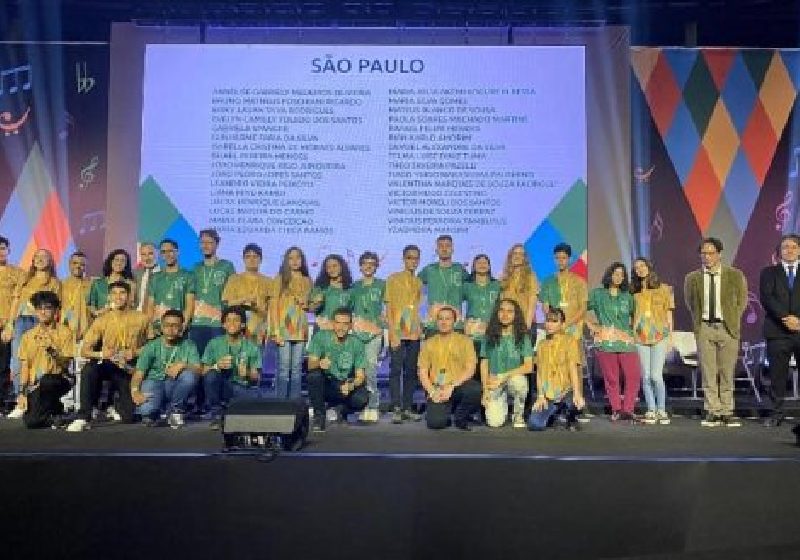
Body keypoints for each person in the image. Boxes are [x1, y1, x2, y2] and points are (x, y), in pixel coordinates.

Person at [66, 281, 150, 432]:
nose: (118, 297)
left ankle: (115, 404)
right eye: (115, 293)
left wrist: (135, 352)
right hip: (108, 364)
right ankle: (83, 416)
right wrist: (101, 354)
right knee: (89, 369)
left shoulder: (142, 318)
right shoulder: (102, 319)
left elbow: (153, 345)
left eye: (122, 293)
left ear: (130, 296)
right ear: (109, 297)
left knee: (129, 418)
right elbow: (84, 351)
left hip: (129, 368)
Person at [684, 237, 747, 428]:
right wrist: (700, 323)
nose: (707, 257)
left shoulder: (734, 275)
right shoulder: (692, 278)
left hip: (727, 328)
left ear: (719, 254)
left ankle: (727, 410)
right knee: (709, 372)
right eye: (703, 253)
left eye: (711, 253)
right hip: (704, 327)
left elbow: (742, 301)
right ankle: (713, 410)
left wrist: (732, 319)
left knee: (726, 371)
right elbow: (690, 302)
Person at [6, 248, 61, 419]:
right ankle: (20, 400)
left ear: (50, 261)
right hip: (22, 321)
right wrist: (10, 324)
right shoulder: (26, 278)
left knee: (40, 362)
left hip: (42, 323)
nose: (40, 259)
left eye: (44, 257)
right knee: (19, 361)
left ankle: (35, 400)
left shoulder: (55, 282)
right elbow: (16, 301)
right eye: (37, 257)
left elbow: (57, 308)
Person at [587, 262, 641, 423]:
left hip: (626, 341)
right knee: (612, 378)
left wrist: (633, 329)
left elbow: (636, 314)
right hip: (606, 342)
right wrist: (592, 326)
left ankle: (628, 409)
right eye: (615, 273)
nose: (618, 277)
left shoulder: (628, 296)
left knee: (633, 376)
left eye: (621, 275)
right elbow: (579, 309)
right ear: (609, 274)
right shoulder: (597, 294)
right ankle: (616, 409)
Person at [130, 309, 200, 428]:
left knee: (189, 376)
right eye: (167, 325)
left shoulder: (189, 345)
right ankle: (158, 411)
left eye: (175, 325)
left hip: (173, 385)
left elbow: (199, 369)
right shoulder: (151, 346)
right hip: (154, 382)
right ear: (161, 327)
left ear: (181, 327)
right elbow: (138, 373)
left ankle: (175, 411)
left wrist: (183, 365)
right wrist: (135, 391)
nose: (170, 329)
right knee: (147, 413)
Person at [16, 291, 74, 429]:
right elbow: (25, 366)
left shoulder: (65, 333)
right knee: (31, 422)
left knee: (47, 380)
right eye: (39, 308)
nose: (43, 312)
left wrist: (52, 351)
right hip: (36, 385)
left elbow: (67, 364)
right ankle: (56, 415)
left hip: (60, 380)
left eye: (47, 308)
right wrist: (22, 393)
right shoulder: (28, 336)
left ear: (55, 311)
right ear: (35, 311)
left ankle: (55, 408)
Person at [306, 307, 369, 432]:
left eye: (345, 324)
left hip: (345, 384)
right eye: (338, 323)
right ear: (332, 323)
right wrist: (319, 363)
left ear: (350, 325)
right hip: (327, 384)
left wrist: (351, 385)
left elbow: (360, 376)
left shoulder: (357, 343)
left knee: (362, 399)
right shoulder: (321, 337)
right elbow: (310, 364)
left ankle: (340, 410)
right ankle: (319, 416)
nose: (341, 327)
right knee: (314, 376)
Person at [418, 306, 480, 430]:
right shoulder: (428, 343)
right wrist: (432, 391)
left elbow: (470, 368)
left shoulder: (465, 341)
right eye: (440, 319)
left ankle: (460, 416)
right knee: (435, 424)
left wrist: (451, 386)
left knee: (475, 389)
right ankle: (443, 412)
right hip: (437, 388)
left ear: (454, 321)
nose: (444, 322)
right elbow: (422, 372)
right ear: (436, 321)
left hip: (457, 386)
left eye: (448, 319)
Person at [760, 234, 800, 428]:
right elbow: (767, 299)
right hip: (777, 331)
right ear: (779, 252)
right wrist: (786, 318)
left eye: (793, 247)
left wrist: (798, 321)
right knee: (777, 376)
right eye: (785, 247)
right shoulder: (769, 273)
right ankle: (777, 413)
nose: (789, 250)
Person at [202, 306, 263, 429]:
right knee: (211, 376)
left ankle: (232, 410)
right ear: (223, 325)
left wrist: (247, 373)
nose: (232, 324)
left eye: (236, 320)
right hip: (222, 387)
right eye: (228, 320)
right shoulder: (214, 343)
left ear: (242, 325)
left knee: (254, 405)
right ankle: (217, 415)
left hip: (242, 388)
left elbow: (257, 378)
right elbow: (203, 372)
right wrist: (216, 366)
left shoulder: (252, 346)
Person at [631, 258, 674, 425]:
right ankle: (650, 409)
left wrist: (670, 336)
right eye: (636, 268)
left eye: (642, 266)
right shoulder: (634, 292)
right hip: (640, 337)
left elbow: (669, 314)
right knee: (646, 376)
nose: (639, 270)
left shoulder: (664, 289)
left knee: (656, 375)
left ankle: (661, 409)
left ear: (649, 267)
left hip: (659, 336)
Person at [529, 308, 585, 431]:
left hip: (565, 391)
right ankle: (554, 414)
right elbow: (539, 372)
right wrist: (540, 395)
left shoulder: (570, 341)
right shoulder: (541, 344)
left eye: (554, 321)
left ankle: (569, 416)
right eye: (548, 321)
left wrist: (577, 392)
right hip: (548, 393)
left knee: (575, 403)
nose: (549, 324)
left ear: (562, 324)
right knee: (534, 424)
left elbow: (573, 368)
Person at [385, 245, 424, 423]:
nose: (413, 261)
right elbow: (389, 308)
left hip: (414, 333)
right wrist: (392, 333)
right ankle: (396, 408)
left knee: (410, 371)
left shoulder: (418, 282)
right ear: (403, 259)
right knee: (395, 370)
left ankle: (408, 407)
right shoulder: (393, 279)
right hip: (398, 333)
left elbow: (417, 308)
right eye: (409, 257)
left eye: (416, 258)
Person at [480, 298, 532, 428]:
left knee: (520, 383)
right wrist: (485, 390)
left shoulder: (523, 336)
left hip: (512, 378)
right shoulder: (489, 336)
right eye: (501, 311)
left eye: (510, 311)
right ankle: (502, 402)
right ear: (496, 314)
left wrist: (504, 376)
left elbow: (528, 366)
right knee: (494, 422)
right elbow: (484, 364)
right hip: (494, 380)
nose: (505, 315)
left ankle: (517, 414)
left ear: (516, 315)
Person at [271, 246, 312, 399]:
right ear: (286, 261)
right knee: (283, 367)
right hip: (283, 329)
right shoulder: (280, 278)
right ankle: (281, 402)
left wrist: (307, 304)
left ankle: (295, 402)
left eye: (298, 258)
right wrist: (275, 330)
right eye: (291, 258)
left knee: (296, 368)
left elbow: (309, 306)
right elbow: (273, 305)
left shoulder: (307, 280)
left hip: (300, 329)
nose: (295, 261)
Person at [349, 251, 385, 423]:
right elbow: (347, 310)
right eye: (365, 263)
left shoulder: (382, 285)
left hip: (374, 334)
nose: (368, 266)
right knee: (357, 369)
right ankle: (359, 404)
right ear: (360, 266)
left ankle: (373, 405)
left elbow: (390, 309)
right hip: (356, 334)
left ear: (377, 266)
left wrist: (382, 328)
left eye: (372, 263)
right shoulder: (354, 287)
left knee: (370, 368)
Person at [189, 229, 235, 357]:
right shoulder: (195, 268)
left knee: (217, 361)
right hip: (197, 323)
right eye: (202, 242)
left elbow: (231, 295)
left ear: (217, 244)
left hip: (218, 323)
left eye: (209, 242)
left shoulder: (226, 266)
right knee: (196, 361)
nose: (205, 246)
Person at [222, 243, 273, 344]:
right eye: (248, 257)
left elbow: (271, 309)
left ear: (261, 259)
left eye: (255, 257)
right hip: (236, 326)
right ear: (243, 259)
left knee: (257, 357)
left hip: (259, 327)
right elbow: (228, 303)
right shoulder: (234, 279)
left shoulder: (269, 282)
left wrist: (258, 307)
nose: (252, 260)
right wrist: (244, 299)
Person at [539, 242, 588, 348]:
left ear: (569, 259)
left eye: (563, 258)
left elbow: (583, 308)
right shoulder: (547, 281)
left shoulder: (579, 282)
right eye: (557, 258)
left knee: (573, 361)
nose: (560, 261)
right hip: (554, 329)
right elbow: (545, 306)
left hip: (574, 329)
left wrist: (567, 324)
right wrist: (554, 323)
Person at [418, 235, 469, 334]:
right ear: (436, 250)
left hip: (456, 324)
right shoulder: (429, 269)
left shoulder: (460, 269)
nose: (444, 249)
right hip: (434, 325)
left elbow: (473, 288)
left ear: (453, 249)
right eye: (441, 246)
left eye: (447, 246)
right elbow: (412, 286)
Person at [146, 239, 195, 335]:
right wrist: (150, 327)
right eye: (163, 252)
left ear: (177, 252)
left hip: (178, 328)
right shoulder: (155, 277)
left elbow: (189, 305)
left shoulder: (188, 276)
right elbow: (150, 306)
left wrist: (183, 326)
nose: (167, 255)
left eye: (170, 251)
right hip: (158, 329)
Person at [500, 243, 540, 342]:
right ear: (510, 256)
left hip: (525, 325)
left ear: (524, 258)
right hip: (507, 325)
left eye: (521, 254)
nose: (517, 256)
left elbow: (532, 303)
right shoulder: (504, 278)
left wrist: (526, 327)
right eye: (515, 253)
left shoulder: (531, 277)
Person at [0, 236, 23, 404]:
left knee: (3, 363)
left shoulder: (17, 273)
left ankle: (2, 400)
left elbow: (18, 300)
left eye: (2, 248)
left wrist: (9, 324)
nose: (0, 252)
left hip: (6, 324)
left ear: (9, 250)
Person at [463, 254, 502, 351]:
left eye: (485, 263)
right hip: (472, 332)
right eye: (479, 263)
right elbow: (455, 302)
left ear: (489, 266)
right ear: (473, 267)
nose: (482, 265)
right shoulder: (467, 286)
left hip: (492, 332)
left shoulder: (497, 285)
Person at [87, 249, 136, 317]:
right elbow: (91, 305)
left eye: (123, 261)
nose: (119, 263)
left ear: (126, 264)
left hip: (121, 323)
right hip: (100, 322)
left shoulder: (130, 284)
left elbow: (131, 307)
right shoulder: (97, 283)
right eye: (117, 260)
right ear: (111, 262)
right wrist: (97, 313)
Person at [310, 254, 352, 331]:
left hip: (341, 332)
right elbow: (311, 309)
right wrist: (317, 303)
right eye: (328, 267)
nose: (332, 269)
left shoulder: (350, 290)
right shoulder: (320, 288)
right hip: (322, 331)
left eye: (334, 266)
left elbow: (353, 312)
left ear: (342, 267)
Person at [60, 251, 92, 342]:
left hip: (87, 332)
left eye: (82, 264)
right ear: (69, 265)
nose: (78, 266)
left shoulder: (92, 284)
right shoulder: (61, 284)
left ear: (86, 267)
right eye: (75, 263)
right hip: (65, 330)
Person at [134, 242, 160, 312]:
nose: (147, 258)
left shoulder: (165, 274)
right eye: (143, 254)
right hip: (137, 314)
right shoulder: (135, 274)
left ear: (158, 254)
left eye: (150, 254)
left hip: (156, 316)